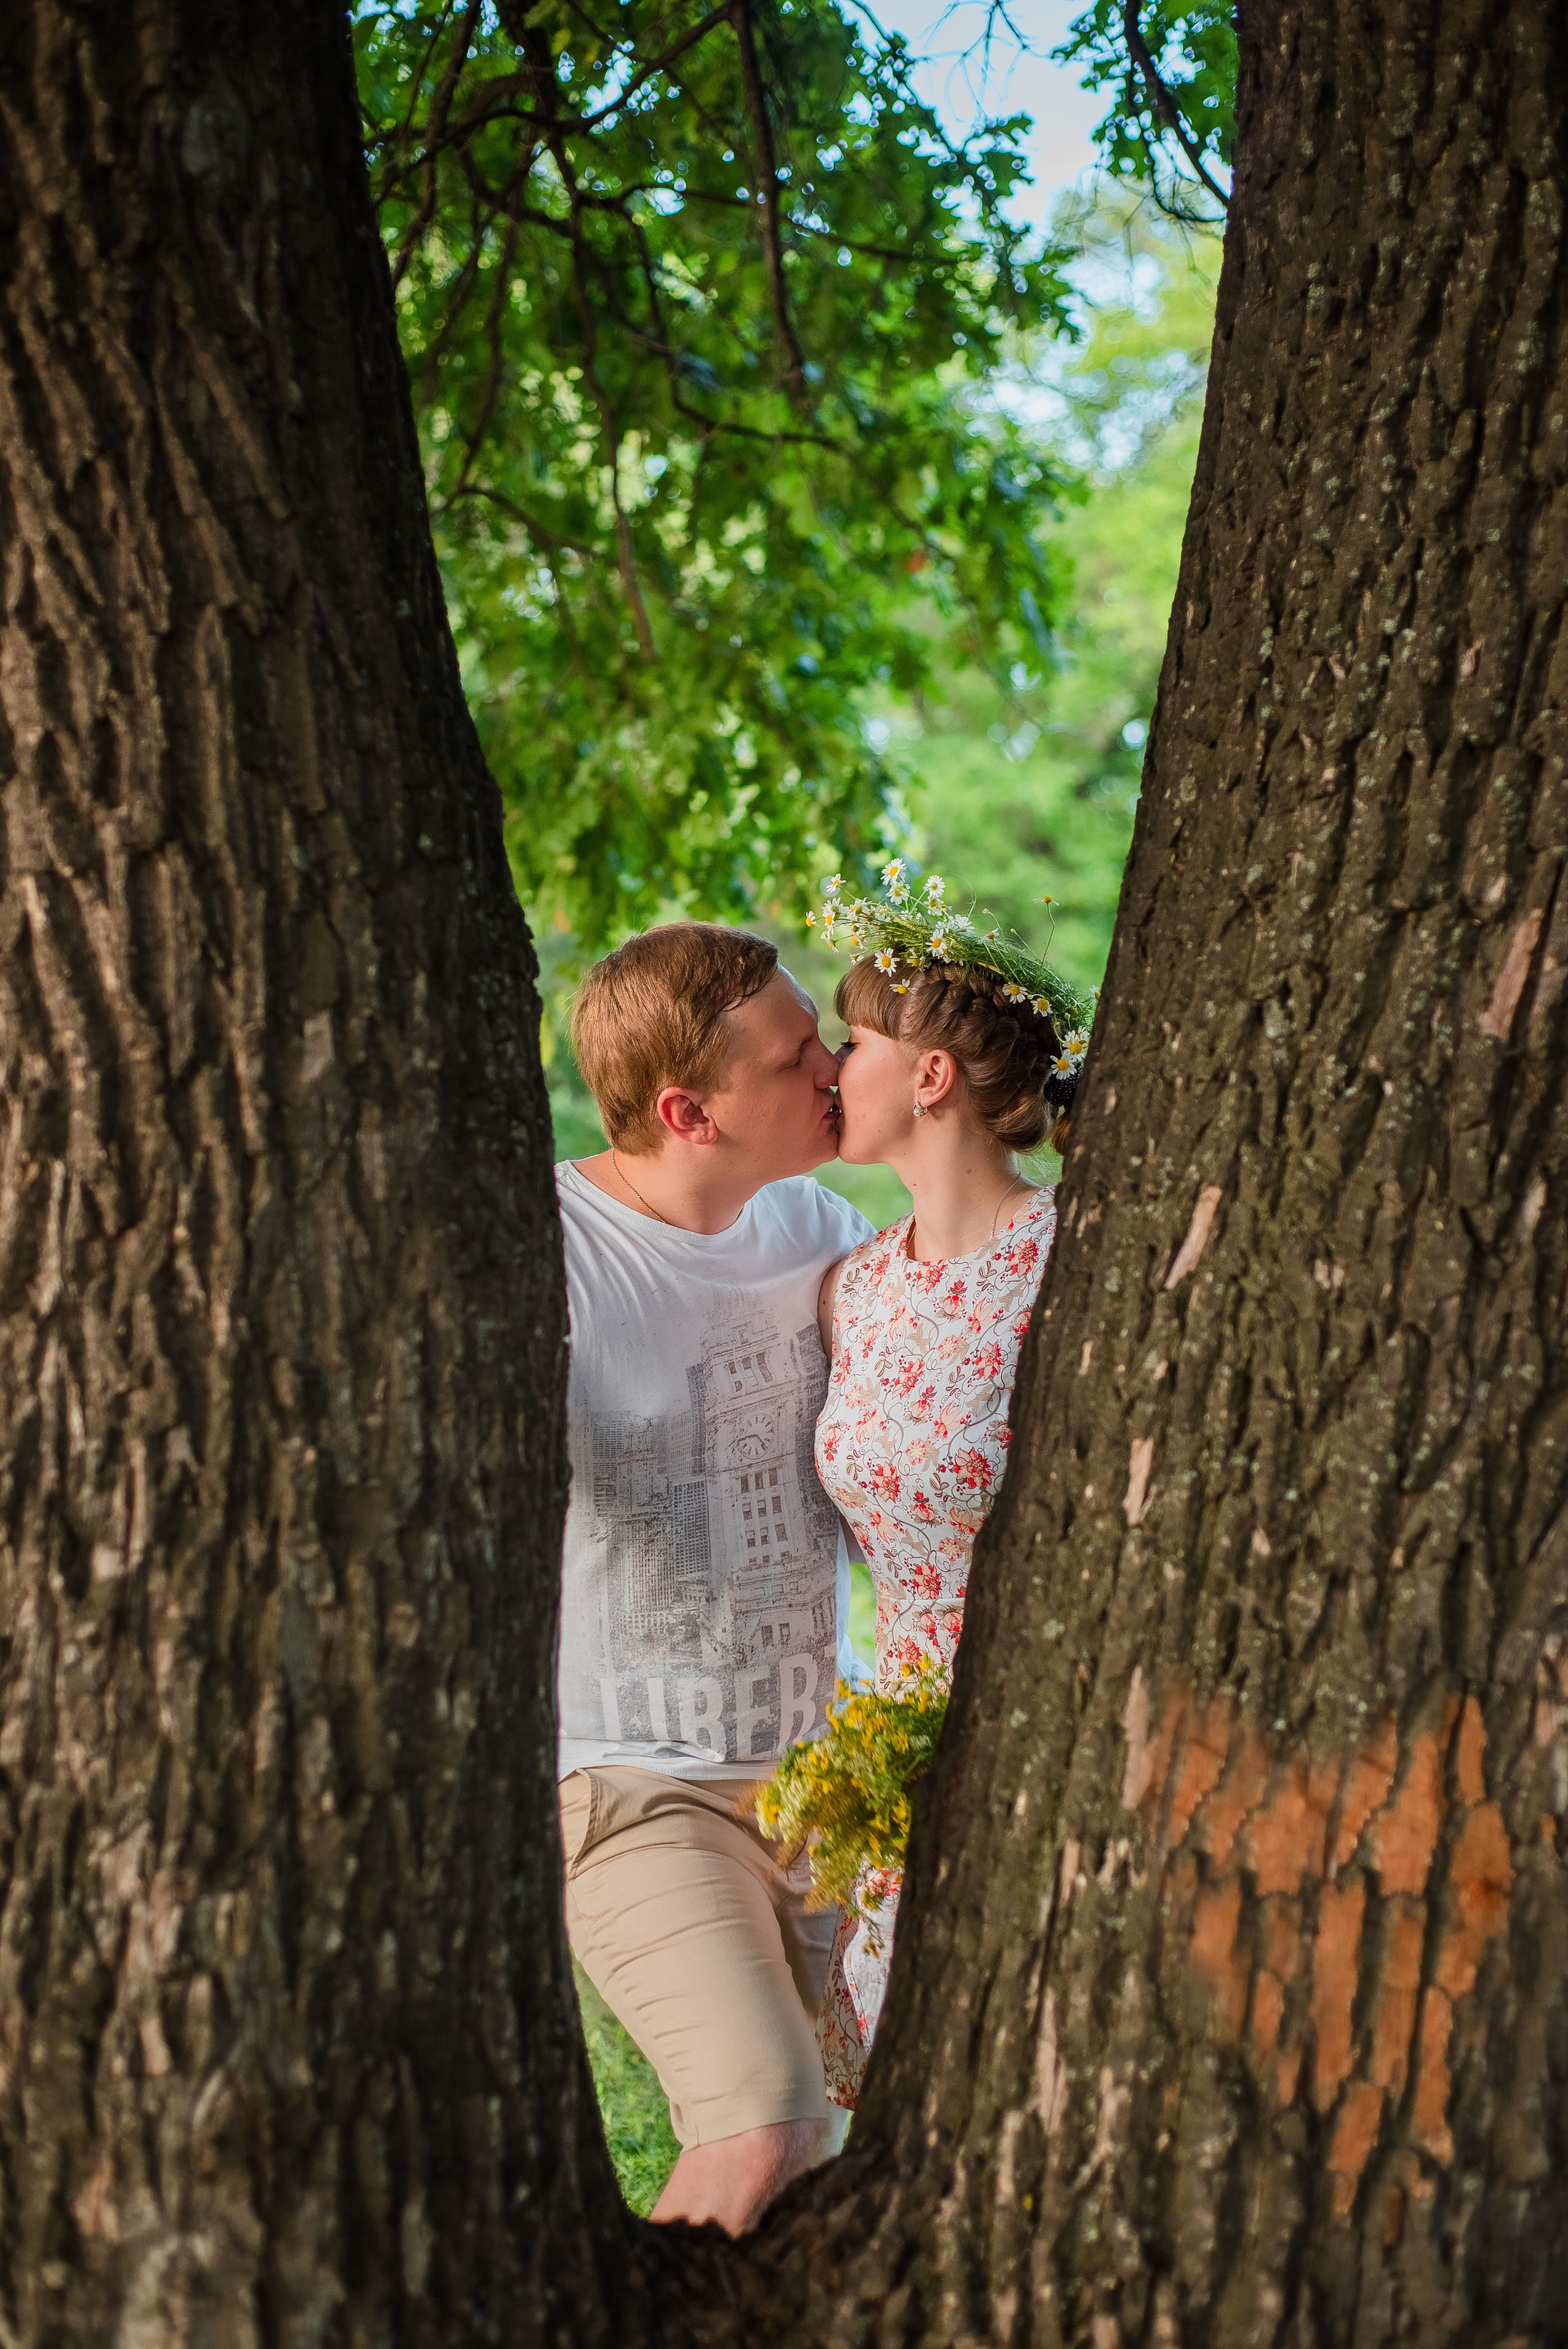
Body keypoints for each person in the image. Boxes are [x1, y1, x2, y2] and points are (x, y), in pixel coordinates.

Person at [554, 921, 873, 2234]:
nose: (833, 1067)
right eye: (796, 1056)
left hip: (833, 1778)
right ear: (688, 1110)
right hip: (636, 1786)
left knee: (863, 2154)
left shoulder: (815, 1223)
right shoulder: (547, 1251)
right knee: (763, 2122)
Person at [807, 892, 1082, 2108]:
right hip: (891, 1743)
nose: (826, 1065)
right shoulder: (850, 1290)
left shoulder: (1070, 1256)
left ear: (926, 1075)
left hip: (1044, 1734)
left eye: (850, 1044)